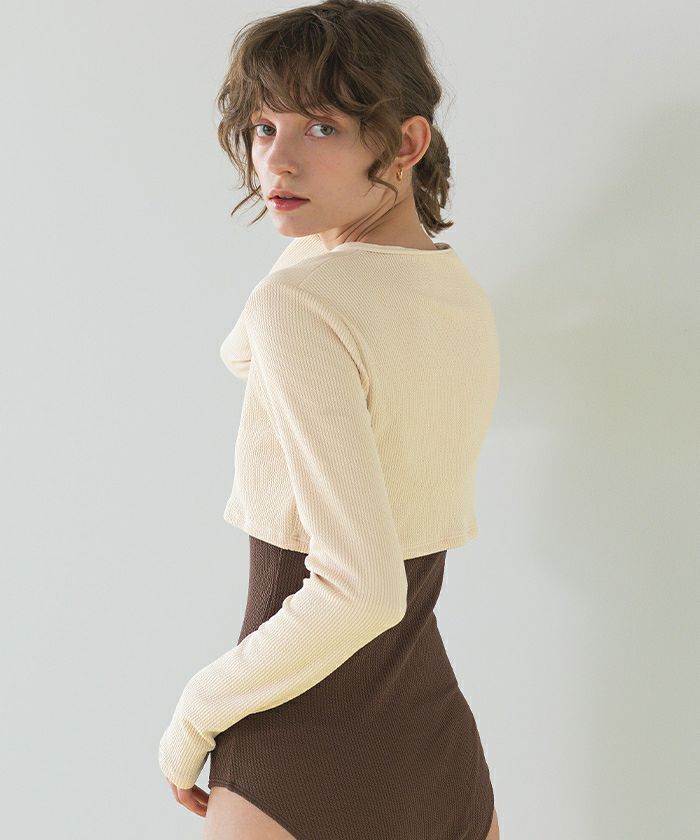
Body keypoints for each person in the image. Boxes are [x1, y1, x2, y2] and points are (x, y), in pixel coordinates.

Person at [158, 2, 501, 838]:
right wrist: (327, 229)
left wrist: (195, 713)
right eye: (262, 126)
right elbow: (243, 353)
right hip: (436, 741)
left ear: (407, 142)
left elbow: (359, 588)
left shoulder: (303, 303)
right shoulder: (452, 289)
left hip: (299, 739)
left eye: (321, 128)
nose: (276, 160)